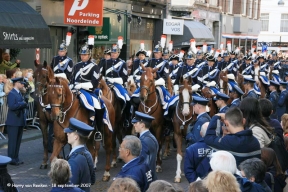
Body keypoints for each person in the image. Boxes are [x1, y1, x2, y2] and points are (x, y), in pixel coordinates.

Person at [70, 42, 103, 140]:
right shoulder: (77, 66)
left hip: (88, 91)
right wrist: (72, 86)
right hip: (75, 90)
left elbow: (94, 83)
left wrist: (81, 85)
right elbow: (72, 79)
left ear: (89, 56)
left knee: (97, 104)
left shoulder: (94, 67)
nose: (83, 56)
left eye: (85, 55)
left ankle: (98, 130)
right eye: (81, 55)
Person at [101, 43, 131, 127]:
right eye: (112, 53)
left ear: (118, 53)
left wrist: (114, 80)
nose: (113, 54)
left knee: (127, 98)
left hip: (117, 84)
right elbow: (101, 74)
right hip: (106, 84)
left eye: (115, 53)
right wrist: (104, 79)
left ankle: (126, 119)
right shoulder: (105, 62)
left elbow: (124, 77)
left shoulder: (122, 63)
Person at [64, 118, 95, 192]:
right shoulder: (87, 153)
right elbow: (92, 180)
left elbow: (70, 189)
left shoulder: (74, 161)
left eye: (70, 132)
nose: (67, 134)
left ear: (76, 137)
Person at [5, 77, 27, 166]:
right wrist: (22, 104)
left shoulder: (19, 93)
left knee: (17, 141)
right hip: (13, 121)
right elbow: (12, 106)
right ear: (16, 83)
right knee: (13, 141)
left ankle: (16, 157)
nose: (23, 85)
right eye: (21, 83)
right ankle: (11, 159)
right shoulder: (12, 93)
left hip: (19, 120)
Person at [131, 111, 158, 179]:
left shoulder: (143, 140)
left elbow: (142, 162)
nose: (134, 125)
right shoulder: (151, 137)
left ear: (142, 125)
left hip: (145, 178)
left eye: (136, 123)